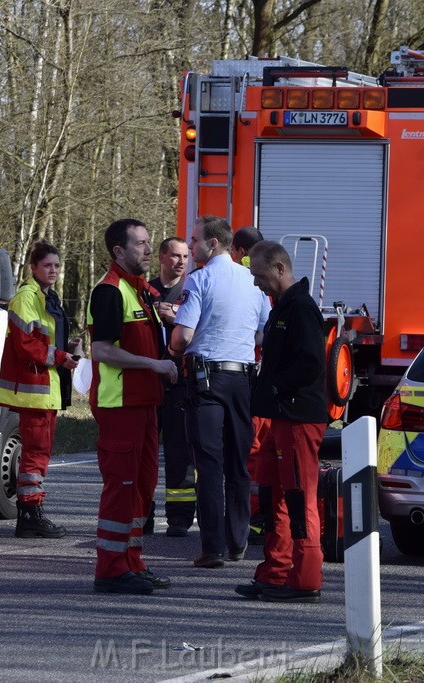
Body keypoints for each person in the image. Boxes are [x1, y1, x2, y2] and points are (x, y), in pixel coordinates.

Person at [170, 216, 270, 569]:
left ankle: (213, 548)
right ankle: (238, 541)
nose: (191, 245)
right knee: (239, 463)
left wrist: (173, 347)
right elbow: (261, 335)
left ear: (213, 244)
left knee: (210, 465)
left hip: (206, 380)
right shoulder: (253, 281)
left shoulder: (199, 279)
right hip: (241, 380)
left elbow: (182, 337)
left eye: (195, 240)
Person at [87, 218, 178, 595]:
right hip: (119, 405)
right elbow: (101, 349)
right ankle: (109, 568)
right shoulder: (110, 291)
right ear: (118, 251)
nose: (146, 249)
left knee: (141, 489)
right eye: (139, 244)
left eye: (147, 242)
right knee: (121, 487)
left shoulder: (139, 290)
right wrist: (155, 365)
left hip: (143, 404)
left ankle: (132, 562)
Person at [236, 240, 327, 603]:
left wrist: (274, 389)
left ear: (278, 268)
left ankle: (304, 579)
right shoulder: (283, 307)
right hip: (281, 417)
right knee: (273, 495)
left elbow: (311, 363)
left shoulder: (300, 308)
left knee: (298, 497)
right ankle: (276, 572)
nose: (257, 283)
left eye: (260, 276)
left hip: (298, 418)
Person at [0, 240, 81, 539]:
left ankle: (31, 514)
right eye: (48, 265)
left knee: (39, 453)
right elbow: (26, 346)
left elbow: (45, 340)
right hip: (35, 389)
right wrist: (60, 357)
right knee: (35, 454)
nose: (54, 270)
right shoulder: (26, 298)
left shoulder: (49, 297)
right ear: (34, 268)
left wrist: (67, 348)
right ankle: (30, 515)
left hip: (47, 387)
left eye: (57, 265)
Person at [148, 237, 195, 537]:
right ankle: (143, 514)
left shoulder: (191, 290)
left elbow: (201, 329)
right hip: (149, 381)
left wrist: (175, 318)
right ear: (162, 258)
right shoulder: (145, 290)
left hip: (180, 383)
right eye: (175, 256)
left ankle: (179, 519)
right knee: (147, 453)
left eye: (185, 256)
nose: (181, 261)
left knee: (180, 455)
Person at [229, 226, 269, 545]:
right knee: (257, 448)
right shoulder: (259, 283)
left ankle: (250, 516)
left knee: (251, 449)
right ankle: (255, 515)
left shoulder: (227, 277)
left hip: (243, 377)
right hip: (256, 377)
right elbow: (262, 331)